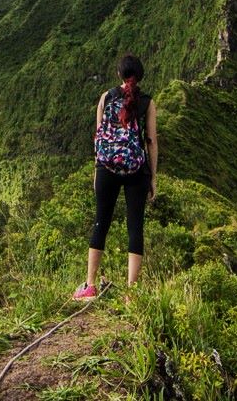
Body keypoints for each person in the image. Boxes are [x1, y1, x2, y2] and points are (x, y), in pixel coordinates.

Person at [73, 53, 158, 299]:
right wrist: (152, 177)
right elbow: (150, 141)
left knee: (101, 222)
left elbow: (99, 137)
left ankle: (89, 285)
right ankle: (132, 292)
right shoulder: (147, 103)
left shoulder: (106, 97)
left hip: (106, 168)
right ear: (140, 77)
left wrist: (96, 171)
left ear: (119, 75)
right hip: (136, 172)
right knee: (135, 227)